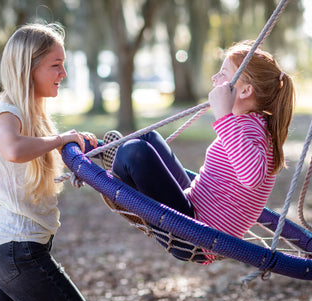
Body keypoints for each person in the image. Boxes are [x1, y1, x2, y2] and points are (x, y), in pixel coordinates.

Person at [105, 41, 296, 262]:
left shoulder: (253, 130)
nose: (215, 78)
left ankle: (120, 187)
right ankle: (121, 168)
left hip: (195, 236)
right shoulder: (248, 123)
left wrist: (223, 115)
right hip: (192, 209)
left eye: (223, 73)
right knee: (147, 138)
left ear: (245, 90)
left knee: (135, 152)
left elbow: (251, 176)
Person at [0, 23, 99, 301]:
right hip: (17, 252)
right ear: (27, 69)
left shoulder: (28, 115)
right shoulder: (7, 112)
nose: (64, 74)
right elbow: (15, 150)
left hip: (2, 251)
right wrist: (60, 140)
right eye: (55, 65)